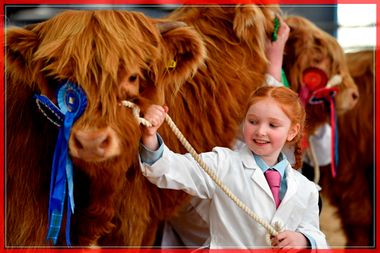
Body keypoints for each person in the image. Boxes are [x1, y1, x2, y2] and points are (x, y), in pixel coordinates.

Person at [139, 86, 329, 249]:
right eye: (253, 121)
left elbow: (317, 237)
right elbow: (171, 169)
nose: (261, 131)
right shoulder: (222, 164)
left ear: (292, 131)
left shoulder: (306, 189)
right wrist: (150, 136)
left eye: (273, 125)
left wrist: (304, 241)